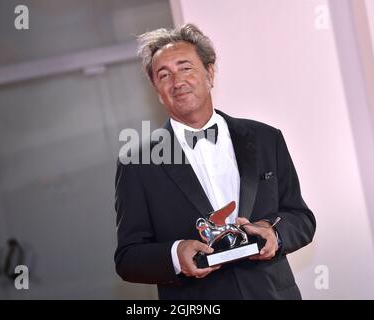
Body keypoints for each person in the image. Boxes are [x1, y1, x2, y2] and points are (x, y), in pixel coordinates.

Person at [114, 23, 316, 299]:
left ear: (210, 73)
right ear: (157, 89)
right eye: (164, 75)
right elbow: (128, 257)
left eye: (186, 68)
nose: (177, 82)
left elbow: (301, 218)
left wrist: (274, 234)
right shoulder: (137, 162)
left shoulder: (266, 138)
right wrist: (175, 254)